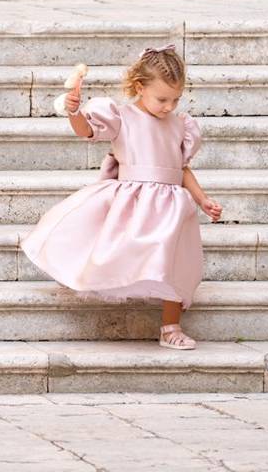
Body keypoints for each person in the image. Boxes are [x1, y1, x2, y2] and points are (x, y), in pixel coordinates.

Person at [19, 44, 223, 350]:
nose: (169, 106)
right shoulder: (122, 117)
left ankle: (170, 327)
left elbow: (181, 168)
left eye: (175, 99)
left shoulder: (180, 125)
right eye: (162, 99)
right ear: (140, 88)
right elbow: (86, 131)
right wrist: (74, 111)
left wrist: (202, 199)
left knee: (176, 262)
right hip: (134, 201)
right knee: (113, 249)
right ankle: (82, 272)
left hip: (171, 206)